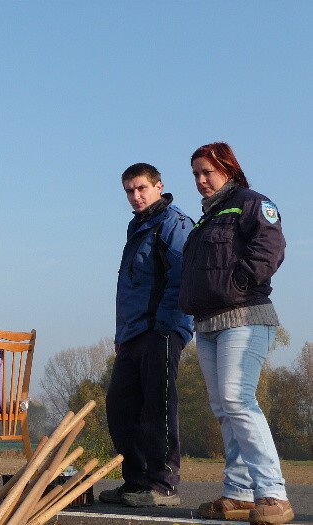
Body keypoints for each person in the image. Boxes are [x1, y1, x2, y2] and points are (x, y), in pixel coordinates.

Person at [179, 142, 294, 524]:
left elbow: (271, 247)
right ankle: (240, 493)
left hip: (245, 315)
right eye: (195, 173)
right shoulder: (206, 219)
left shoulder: (251, 203)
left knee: (237, 400)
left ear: (227, 169)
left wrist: (239, 281)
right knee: (223, 408)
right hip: (208, 323)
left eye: (207, 172)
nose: (200, 180)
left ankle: (273, 493)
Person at [99, 163, 193, 508]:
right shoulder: (137, 225)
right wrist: (122, 332)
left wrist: (165, 327)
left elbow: (182, 277)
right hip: (132, 332)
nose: (135, 196)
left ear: (158, 186)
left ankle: (163, 484)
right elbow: (132, 286)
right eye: (129, 191)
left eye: (141, 188)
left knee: (158, 406)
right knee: (120, 406)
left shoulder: (174, 224)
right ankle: (136, 480)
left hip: (160, 330)